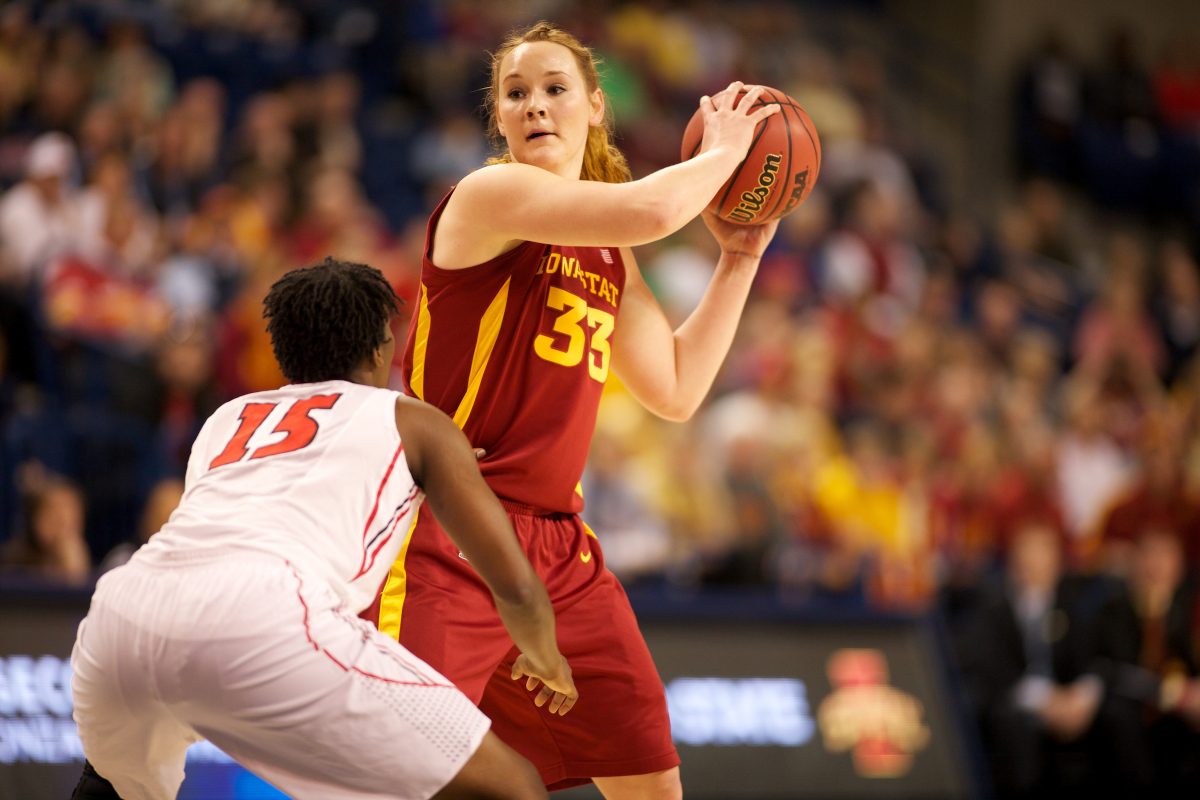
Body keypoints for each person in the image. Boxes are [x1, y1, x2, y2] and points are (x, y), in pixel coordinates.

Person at [363, 21, 781, 798]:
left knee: (651, 783)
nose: (535, 106)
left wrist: (740, 258)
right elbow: (655, 212)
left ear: (595, 107)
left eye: (555, 89)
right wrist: (724, 154)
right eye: (515, 94)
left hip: (559, 548)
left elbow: (678, 387)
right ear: (498, 120)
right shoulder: (488, 195)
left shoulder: (607, 251)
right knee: (398, 778)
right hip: (451, 532)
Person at [70, 258, 578, 800]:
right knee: (513, 787)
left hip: (121, 614)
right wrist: (547, 659)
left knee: (110, 787)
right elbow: (518, 588)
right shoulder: (413, 419)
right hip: (262, 613)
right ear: (380, 347)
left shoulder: (226, 417)